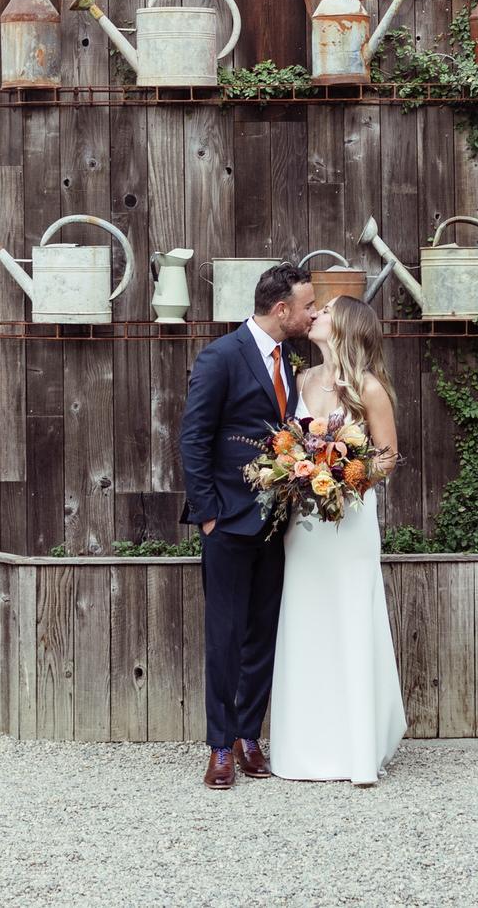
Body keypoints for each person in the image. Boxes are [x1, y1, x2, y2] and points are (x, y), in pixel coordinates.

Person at [178, 260, 315, 790]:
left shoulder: (289, 361)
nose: (311, 314)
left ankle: (247, 736)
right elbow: (194, 438)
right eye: (306, 306)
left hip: (275, 523)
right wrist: (209, 514)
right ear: (281, 309)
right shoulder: (221, 356)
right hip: (229, 523)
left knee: (262, 635)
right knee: (226, 636)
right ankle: (219, 746)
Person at [269, 296, 409, 786]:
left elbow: (387, 456)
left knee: (350, 617)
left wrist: (346, 479)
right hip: (306, 526)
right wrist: (300, 473)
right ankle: (304, 749)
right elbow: (285, 443)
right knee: (306, 620)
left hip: (350, 523)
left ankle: (357, 751)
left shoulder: (368, 387)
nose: (316, 315)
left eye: (325, 311)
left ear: (345, 326)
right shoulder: (300, 379)